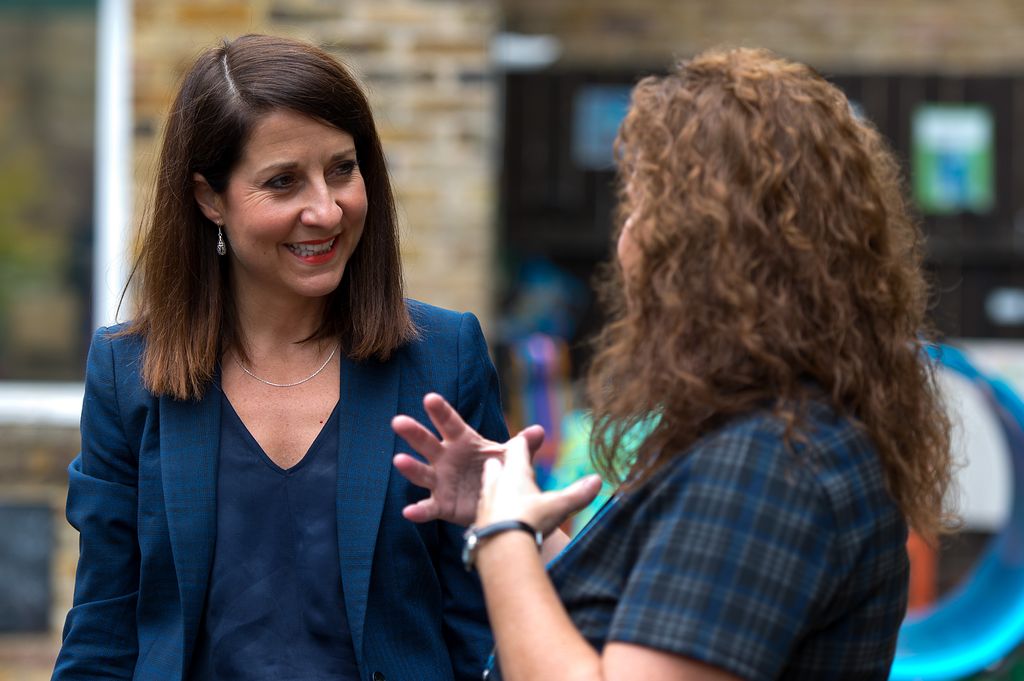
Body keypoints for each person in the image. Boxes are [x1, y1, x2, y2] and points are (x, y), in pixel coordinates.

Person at [391, 47, 955, 680]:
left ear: (699, 250)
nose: (625, 239)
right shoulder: (780, 431)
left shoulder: (766, 462)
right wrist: (509, 508)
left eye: (641, 208)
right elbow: (647, 626)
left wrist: (500, 542)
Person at [53, 34, 507, 681]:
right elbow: (104, 629)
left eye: (343, 169)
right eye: (283, 181)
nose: (325, 209)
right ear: (210, 198)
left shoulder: (445, 359)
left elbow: (485, 627)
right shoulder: (128, 376)